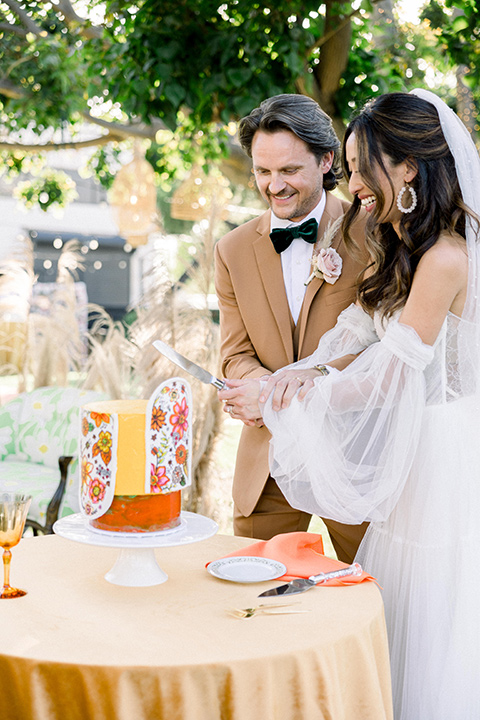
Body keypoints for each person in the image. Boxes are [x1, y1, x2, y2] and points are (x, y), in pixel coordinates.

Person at [219, 89, 480, 719]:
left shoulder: (433, 251)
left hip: (418, 452)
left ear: (408, 166)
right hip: (334, 454)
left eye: (363, 167)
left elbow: (388, 375)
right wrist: (279, 385)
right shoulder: (405, 239)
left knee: (412, 613)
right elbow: (356, 339)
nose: (357, 180)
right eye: (263, 172)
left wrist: (290, 398)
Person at [214, 93, 368, 563]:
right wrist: (266, 390)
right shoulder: (232, 249)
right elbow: (233, 354)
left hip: (358, 458)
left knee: (373, 598)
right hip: (270, 463)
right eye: (263, 172)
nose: (273, 186)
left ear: (326, 160)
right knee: (253, 602)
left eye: (288, 171)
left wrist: (295, 389)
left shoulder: (377, 231)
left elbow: (385, 342)